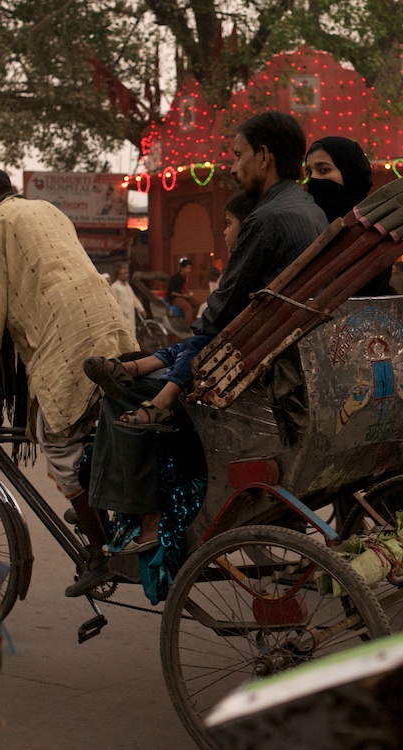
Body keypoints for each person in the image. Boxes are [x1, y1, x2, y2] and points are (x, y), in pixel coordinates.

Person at [84, 110, 328, 554]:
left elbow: (221, 310)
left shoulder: (267, 218)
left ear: (264, 157)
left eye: (238, 155)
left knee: (124, 393)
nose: (234, 167)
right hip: (289, 352)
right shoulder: (311, 211)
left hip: (258, 371)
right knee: (169, 356)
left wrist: (187, 345)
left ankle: (144, 522)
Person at [0, 166, 139, 597]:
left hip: (67, 334)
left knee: (56, 441)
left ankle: (100, 553)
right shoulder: (49, 210)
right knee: (92, 428)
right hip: (108, 323)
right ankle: (99, 510)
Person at [304, 135, 394, 296]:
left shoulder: (368, 223)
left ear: (350, 172)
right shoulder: (311, 220)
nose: (314, 179)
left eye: (324, 170)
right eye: (309, 173)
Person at [109, 261, 145, 331]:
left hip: (131, 317)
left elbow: (134, 299)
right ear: (118, 275)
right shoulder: (115, 287)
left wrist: (141, 309)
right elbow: (113, 303)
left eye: (127, 273)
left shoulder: (127, 286)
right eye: (124, 273)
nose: (126, 275)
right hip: (122, 318)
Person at [167, 256, 195, 325]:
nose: (189, 270)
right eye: (188, 268)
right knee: (188, 308)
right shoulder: (175, 278)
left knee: (198, 303)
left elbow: (183, 289)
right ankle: (190, 327)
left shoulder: (184, 277)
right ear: (182, 268)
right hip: (175, 298)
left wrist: (187, 294)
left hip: (183, 296)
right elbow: (171, 292)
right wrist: (183, 295)